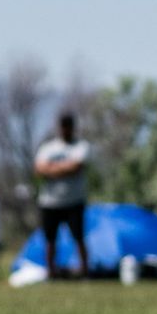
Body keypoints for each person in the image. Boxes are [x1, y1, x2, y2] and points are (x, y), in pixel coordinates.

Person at [33, 111, 90, 279]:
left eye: (68, 126)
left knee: (79, 237)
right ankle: (51, 272)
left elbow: (76, 167)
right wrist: (64, 168)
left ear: (73, 127)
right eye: (63, 126)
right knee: (50, 239)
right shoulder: (48, 147)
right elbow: (39, 169)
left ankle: (84, 272)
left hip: (74, 201)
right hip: (50, 202)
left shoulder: (81, 146)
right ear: (59, 128)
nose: (65, 130)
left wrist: (52, 168)